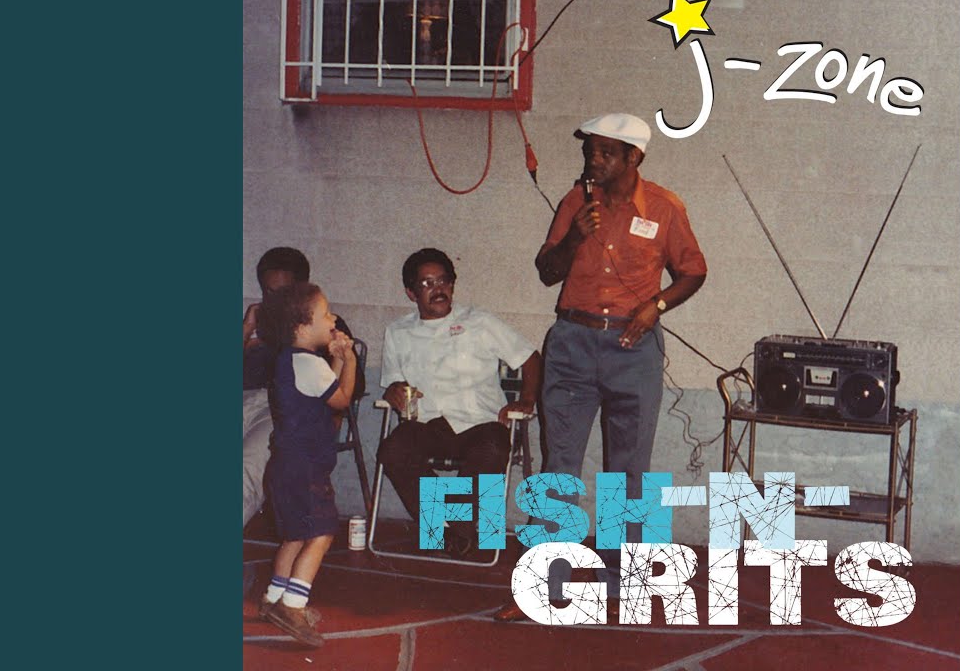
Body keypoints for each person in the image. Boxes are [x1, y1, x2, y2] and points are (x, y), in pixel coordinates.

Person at [494, 113, 707, 622]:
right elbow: (547, 272)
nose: (594, 160)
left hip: (634, 348)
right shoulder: (575, 202)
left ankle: (622, 585)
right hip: (572, 343)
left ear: (634, 157)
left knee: (628, 472)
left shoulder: (664, 207)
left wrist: (655, 306)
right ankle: (543, 586)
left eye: (606, 152)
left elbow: (694, 271)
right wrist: (574, 238)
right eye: (590, 150)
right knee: (559, 466)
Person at [377, 248, 542, 558]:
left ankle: (449, 530)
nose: (438, 289)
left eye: (443, 281)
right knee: (393, 450)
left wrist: (527, 399)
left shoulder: (479, 322)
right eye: (427, 284)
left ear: (452, 285)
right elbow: (394, 384)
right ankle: (455, 529)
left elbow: (530, 358)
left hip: (481, 424)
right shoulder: (398, 333)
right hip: (427, 425)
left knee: (493, 450)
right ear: (411, 293)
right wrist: (393, 392)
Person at [255, 282, 358, 648]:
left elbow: (322, 388)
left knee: (294, 535)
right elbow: (341, 399)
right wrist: (350, 361)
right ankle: (293, 605)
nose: (333, 319)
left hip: (285, 466)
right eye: (326, 314)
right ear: (302, 326)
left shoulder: (293, 361)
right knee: (321, 533)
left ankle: (273, 598)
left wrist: (336, 359)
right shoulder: (310, 365)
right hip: (305, 468)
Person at [243, 247, 363, 528]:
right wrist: (246, 330)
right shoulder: (257, 323)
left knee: (248, 464)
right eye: (269, 293)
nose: (275, 301)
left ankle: (458, 536)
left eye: (283, 293)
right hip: (244, 399)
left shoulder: (319, 326)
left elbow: (348, 389)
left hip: (281, 411)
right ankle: (448, 536)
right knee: (401, 453)